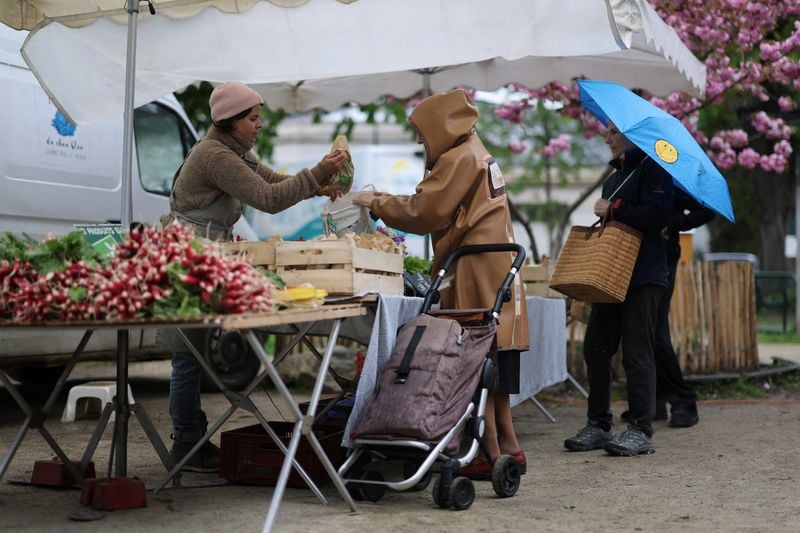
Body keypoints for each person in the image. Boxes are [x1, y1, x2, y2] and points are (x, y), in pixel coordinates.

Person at [158, 82, 348, 472]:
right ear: (229, 121)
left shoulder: (233, 151)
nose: (259, 125)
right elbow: (270, 201)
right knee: (187, 355)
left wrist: (318, 185)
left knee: (191, 354)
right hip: (189, 255)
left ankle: (189, 437)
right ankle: (187, 441)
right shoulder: (215, 156)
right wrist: (317, 172)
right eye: (253, 118)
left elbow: (274, 182)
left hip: (207, 253)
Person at [352, 88, 530, 477]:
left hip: (472, 268)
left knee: (473, 357)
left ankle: (484, 451)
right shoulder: (476, 150)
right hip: (495, 266)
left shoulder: (458, 158)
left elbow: (425, 211)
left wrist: (376, 202)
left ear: (439, 127)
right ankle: (508, 447)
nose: (419, 140)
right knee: (494, 360)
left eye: (421, 131)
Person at [564, 121, 673, 456]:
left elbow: (658, 216)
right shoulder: (615, 178)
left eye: (613, 131)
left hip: (644, 276)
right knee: (596, 346)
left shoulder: (656, 171)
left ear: (632, 134)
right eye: (607, 131)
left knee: (637, 352)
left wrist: (615, 208)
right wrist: (609, 210)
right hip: (612, 275)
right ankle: (598, 424)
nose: (606, 137)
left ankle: (641, 429)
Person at [654, 191, 715, 427]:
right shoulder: (624, 175)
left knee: (657, 333)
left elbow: (707, 210)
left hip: (662, 259)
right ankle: (653, 400)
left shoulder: (669, 177)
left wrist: (672, 224)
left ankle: (683, 400)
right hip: (632, 259)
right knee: (641, 332)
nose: (613, 150)